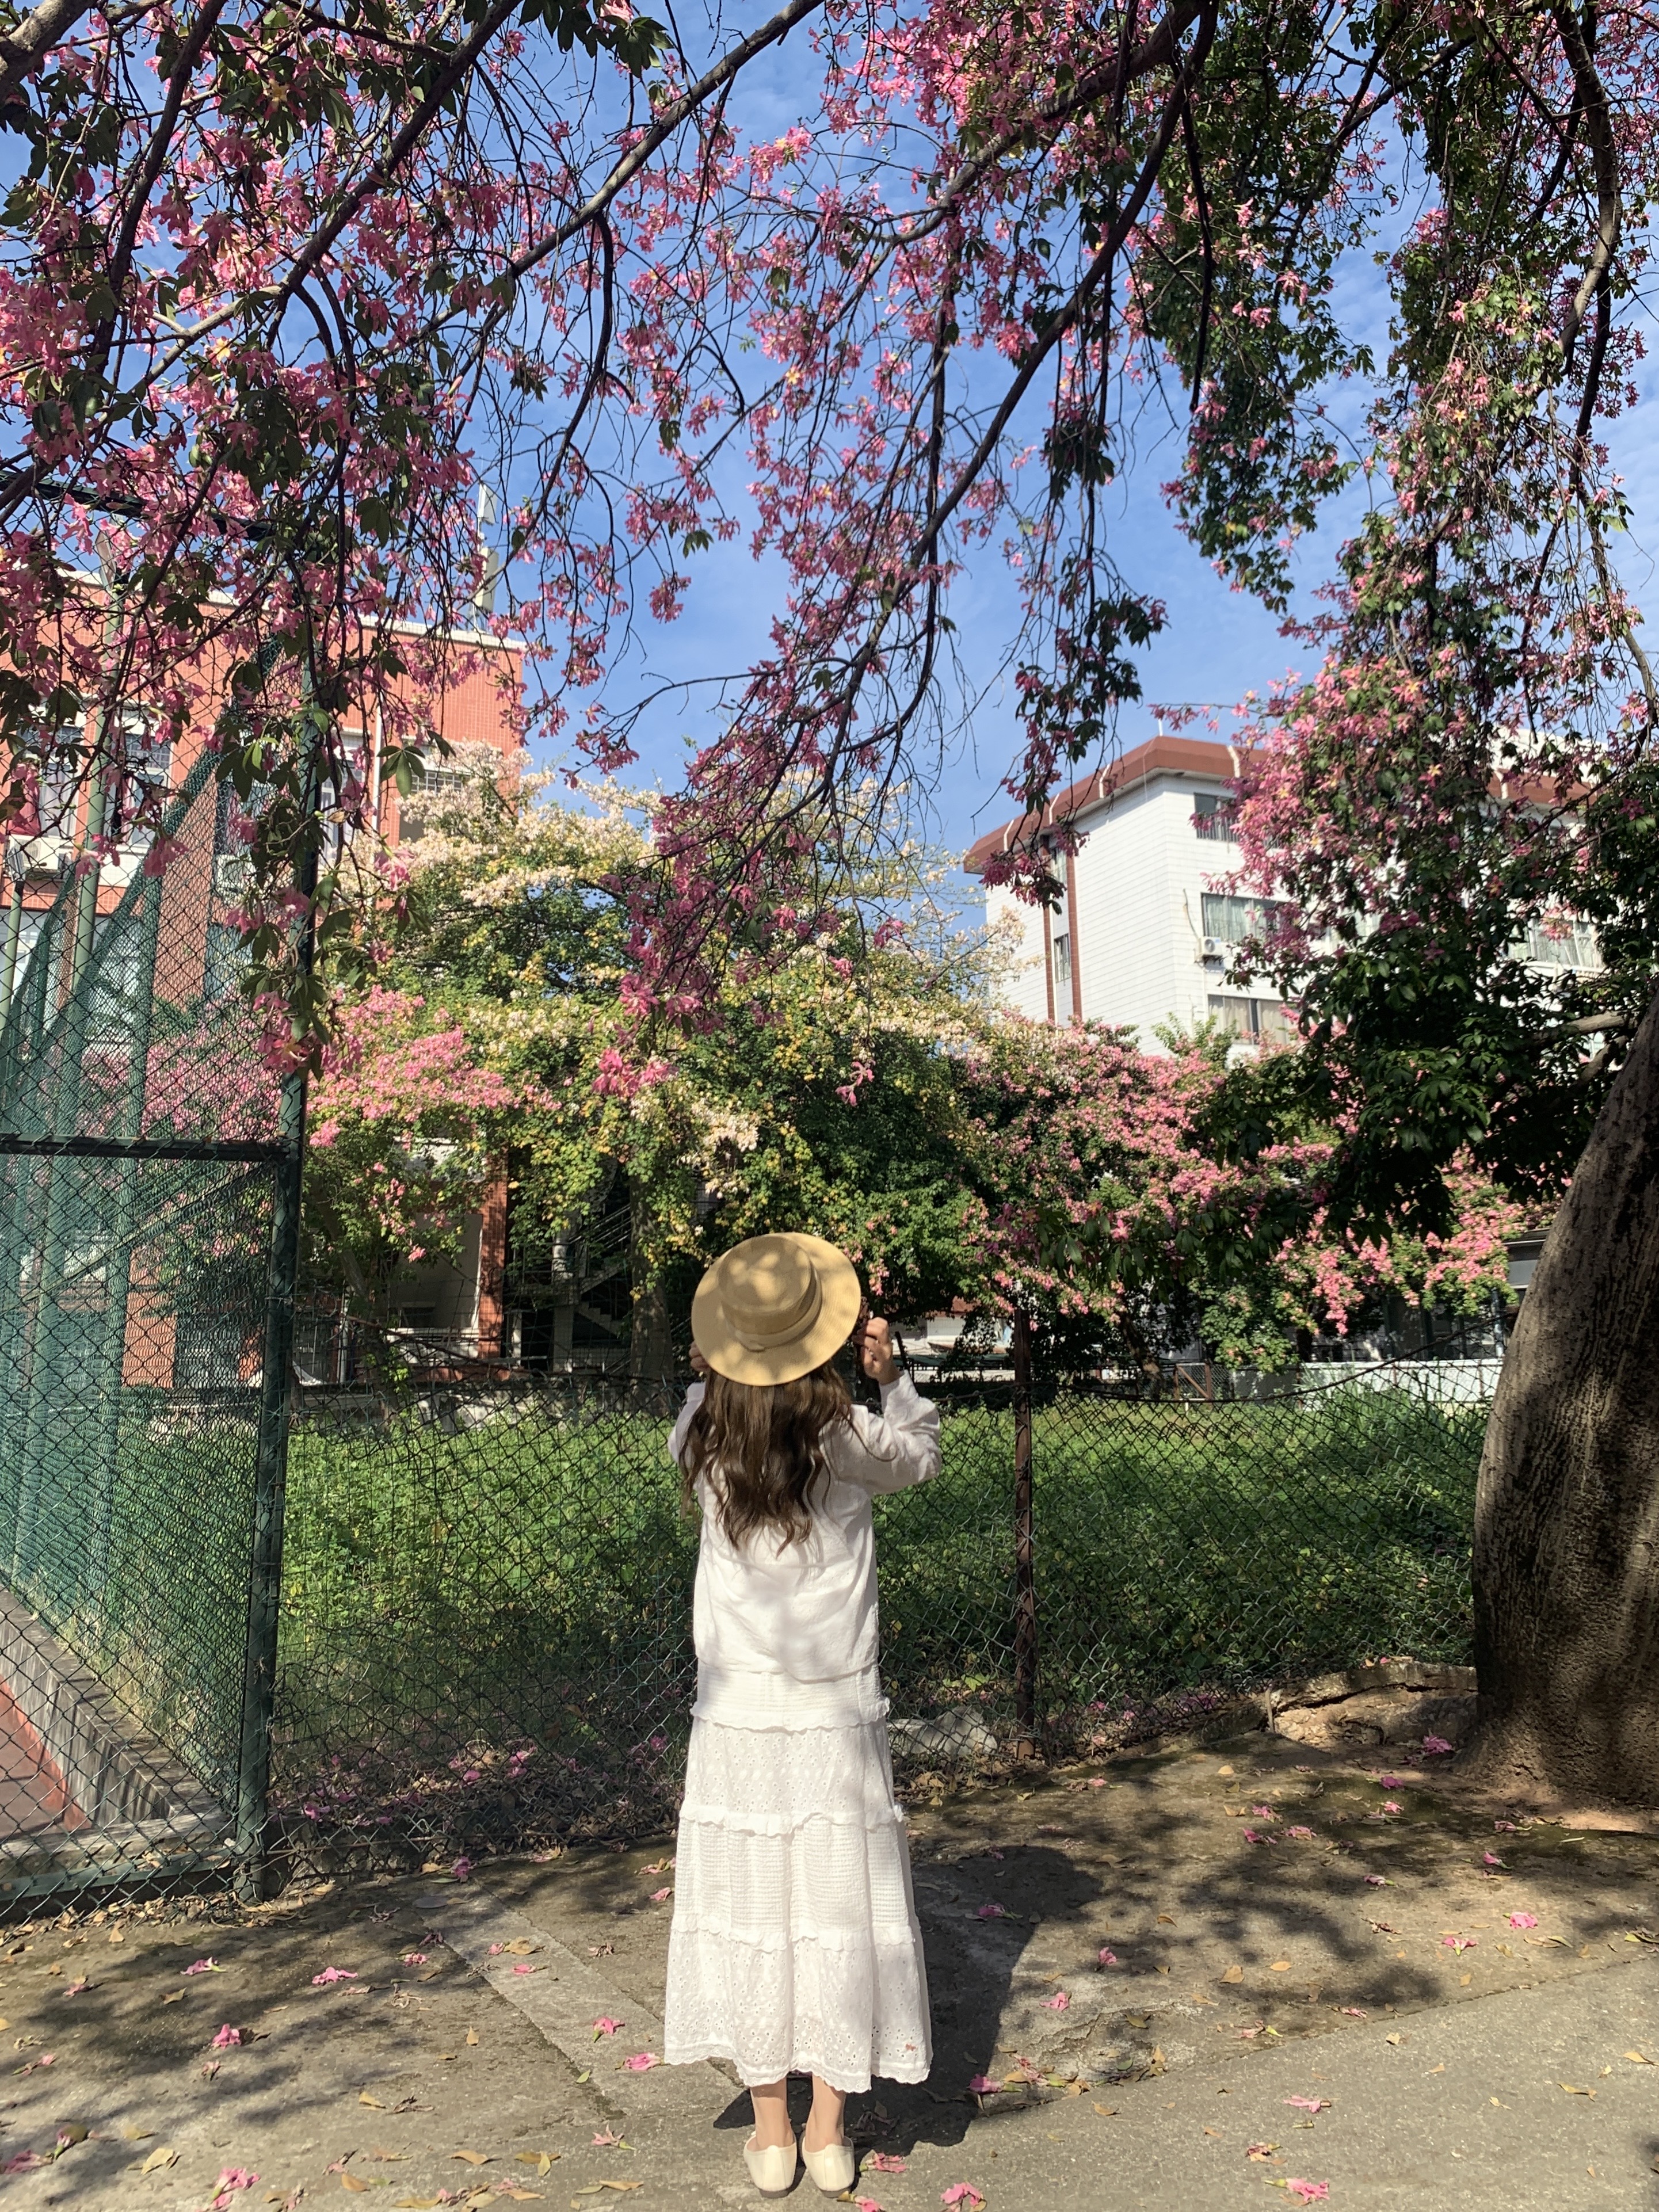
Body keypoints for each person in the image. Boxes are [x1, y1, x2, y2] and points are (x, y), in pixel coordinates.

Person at [662, 1232, 939, 2197]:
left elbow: (696, 1405)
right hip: (834, 1708)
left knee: (751, 1903)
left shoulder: (703, 1433)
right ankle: (828, 2133)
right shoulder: (847, 1435)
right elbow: (921, 1457)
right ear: (822, 1340)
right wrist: (892, 1379)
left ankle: (771, 2133)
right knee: (838, 1908)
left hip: (737, 1709)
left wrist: (710, 1373)